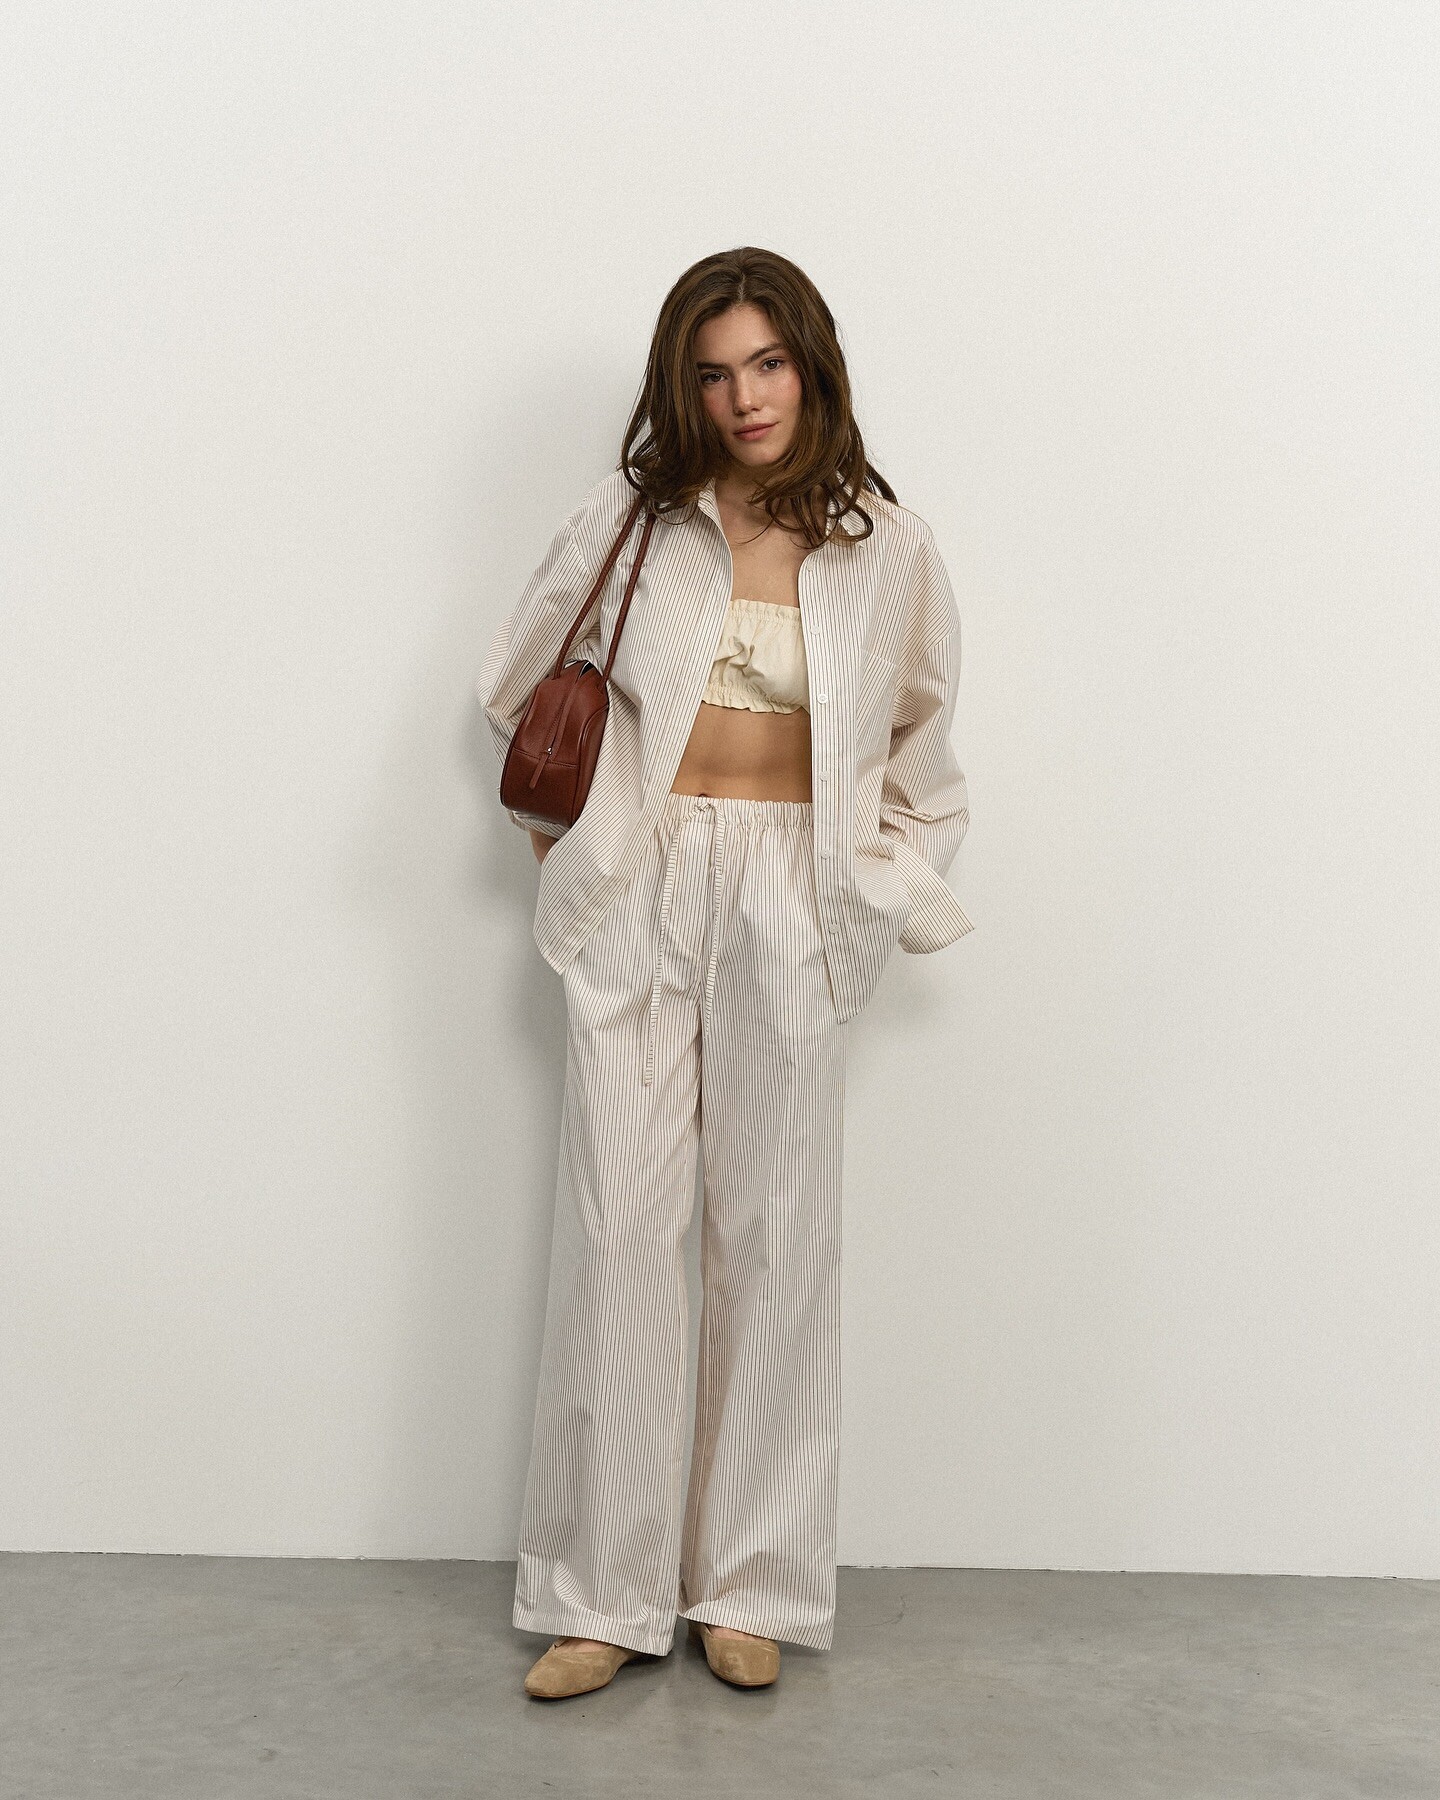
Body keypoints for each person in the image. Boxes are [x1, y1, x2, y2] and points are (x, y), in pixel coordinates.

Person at [476, 246, 974, 1700]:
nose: (744, 397)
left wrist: (874, 885)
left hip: (791, 896)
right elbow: (518, 685)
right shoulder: (635, 523)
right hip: (646, 881)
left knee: (775, 1238)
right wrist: (581, 844)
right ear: (680, 387)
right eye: (712, 372)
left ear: (811, 367)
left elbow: (924, 750)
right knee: (618, 1230)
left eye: (767, 364)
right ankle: (601, 1595)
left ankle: (747, 1585)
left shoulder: (891, 548)